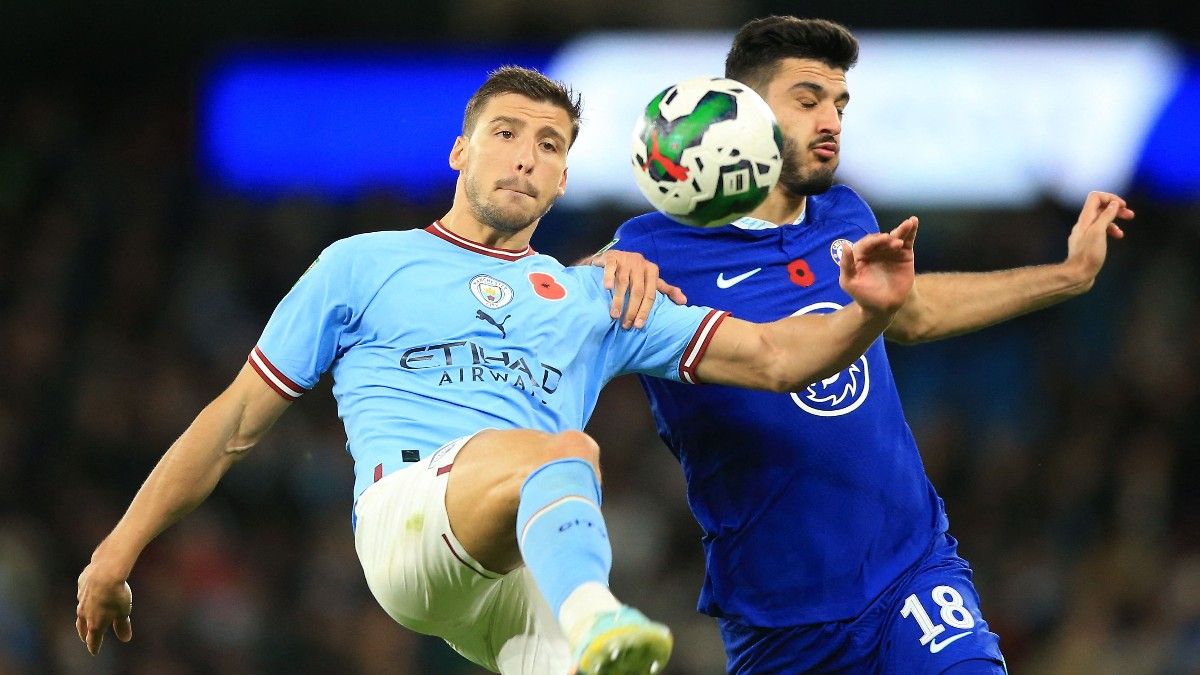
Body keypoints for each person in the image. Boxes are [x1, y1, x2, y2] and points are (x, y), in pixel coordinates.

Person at [75, 65, 919, 675]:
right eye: (505, 134)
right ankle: (596, 614)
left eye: (549, 144)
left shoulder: (597, 296)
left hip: (523, 567)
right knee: (565, 452)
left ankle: (587, 625)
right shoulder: (361, 264)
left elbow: (775, 358)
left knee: (575, 556)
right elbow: (231, 425)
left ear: (560, 178)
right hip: (408, 526)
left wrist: (870, 309)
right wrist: (115, 553)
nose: (525, 155)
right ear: (459, 153)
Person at [609, 17, 1136, 675]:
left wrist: (1067, 274)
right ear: (742, 111)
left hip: (910, 570)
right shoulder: (650, 252)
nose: (830, 119)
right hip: (782, 620)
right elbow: (548, 327)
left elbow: (908, 312)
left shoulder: (844, 216)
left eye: (839, 104)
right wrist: (589, 280)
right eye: (808, 100)